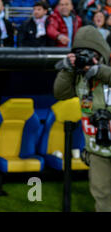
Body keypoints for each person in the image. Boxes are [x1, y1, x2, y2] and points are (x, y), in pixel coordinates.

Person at [53, 26, 111, 212]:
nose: (84, 58)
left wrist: (100, 71)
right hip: (98, 149)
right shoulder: (79, 77)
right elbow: (59, 93)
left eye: (88, 53)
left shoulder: (105, 69)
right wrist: (68, 69)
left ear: (100, 52)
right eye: (79, 53)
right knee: (101, 195)